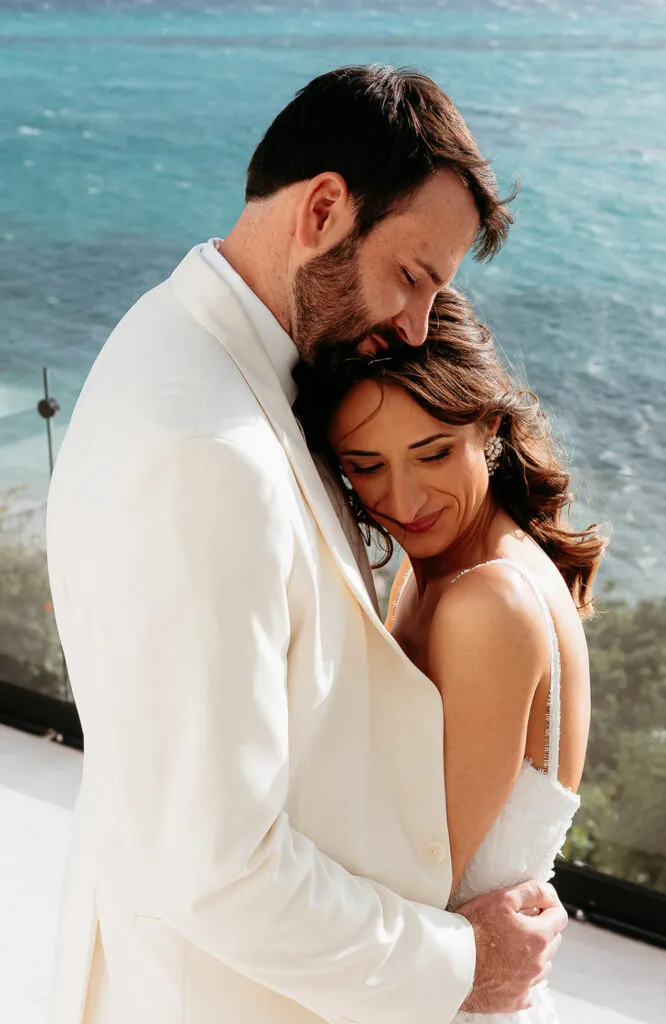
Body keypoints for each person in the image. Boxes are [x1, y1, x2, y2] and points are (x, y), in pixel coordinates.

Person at [46, 66, 568, 1024]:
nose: (417, 325)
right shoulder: (207, 452)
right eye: (411, 277)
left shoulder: (178, 341)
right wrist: (462, 964)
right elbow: (216, 866)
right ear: (324, 209)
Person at [294, 285, 607, 1023]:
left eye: (431, 452)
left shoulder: (485, 603)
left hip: (448, 993)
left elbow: (416, 866)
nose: (402, 499)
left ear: (489, 427)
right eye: (365, 465)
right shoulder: (433, 570)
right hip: (433, 976)